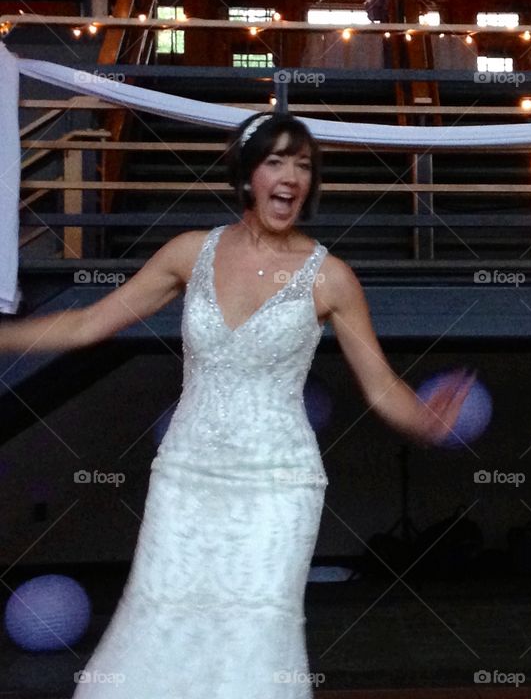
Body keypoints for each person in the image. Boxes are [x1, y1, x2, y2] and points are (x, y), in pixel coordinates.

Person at [0, 111, 473, 698]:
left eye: (303, 165)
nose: (291, 177)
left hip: (278, 484)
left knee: (254, 634)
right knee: (162, 618)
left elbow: (380, 386)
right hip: (187, 476)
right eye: (276, 161)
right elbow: (88, 324)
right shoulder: (189, 253)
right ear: (248, 175)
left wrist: (428, 423)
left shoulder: (332, 279)